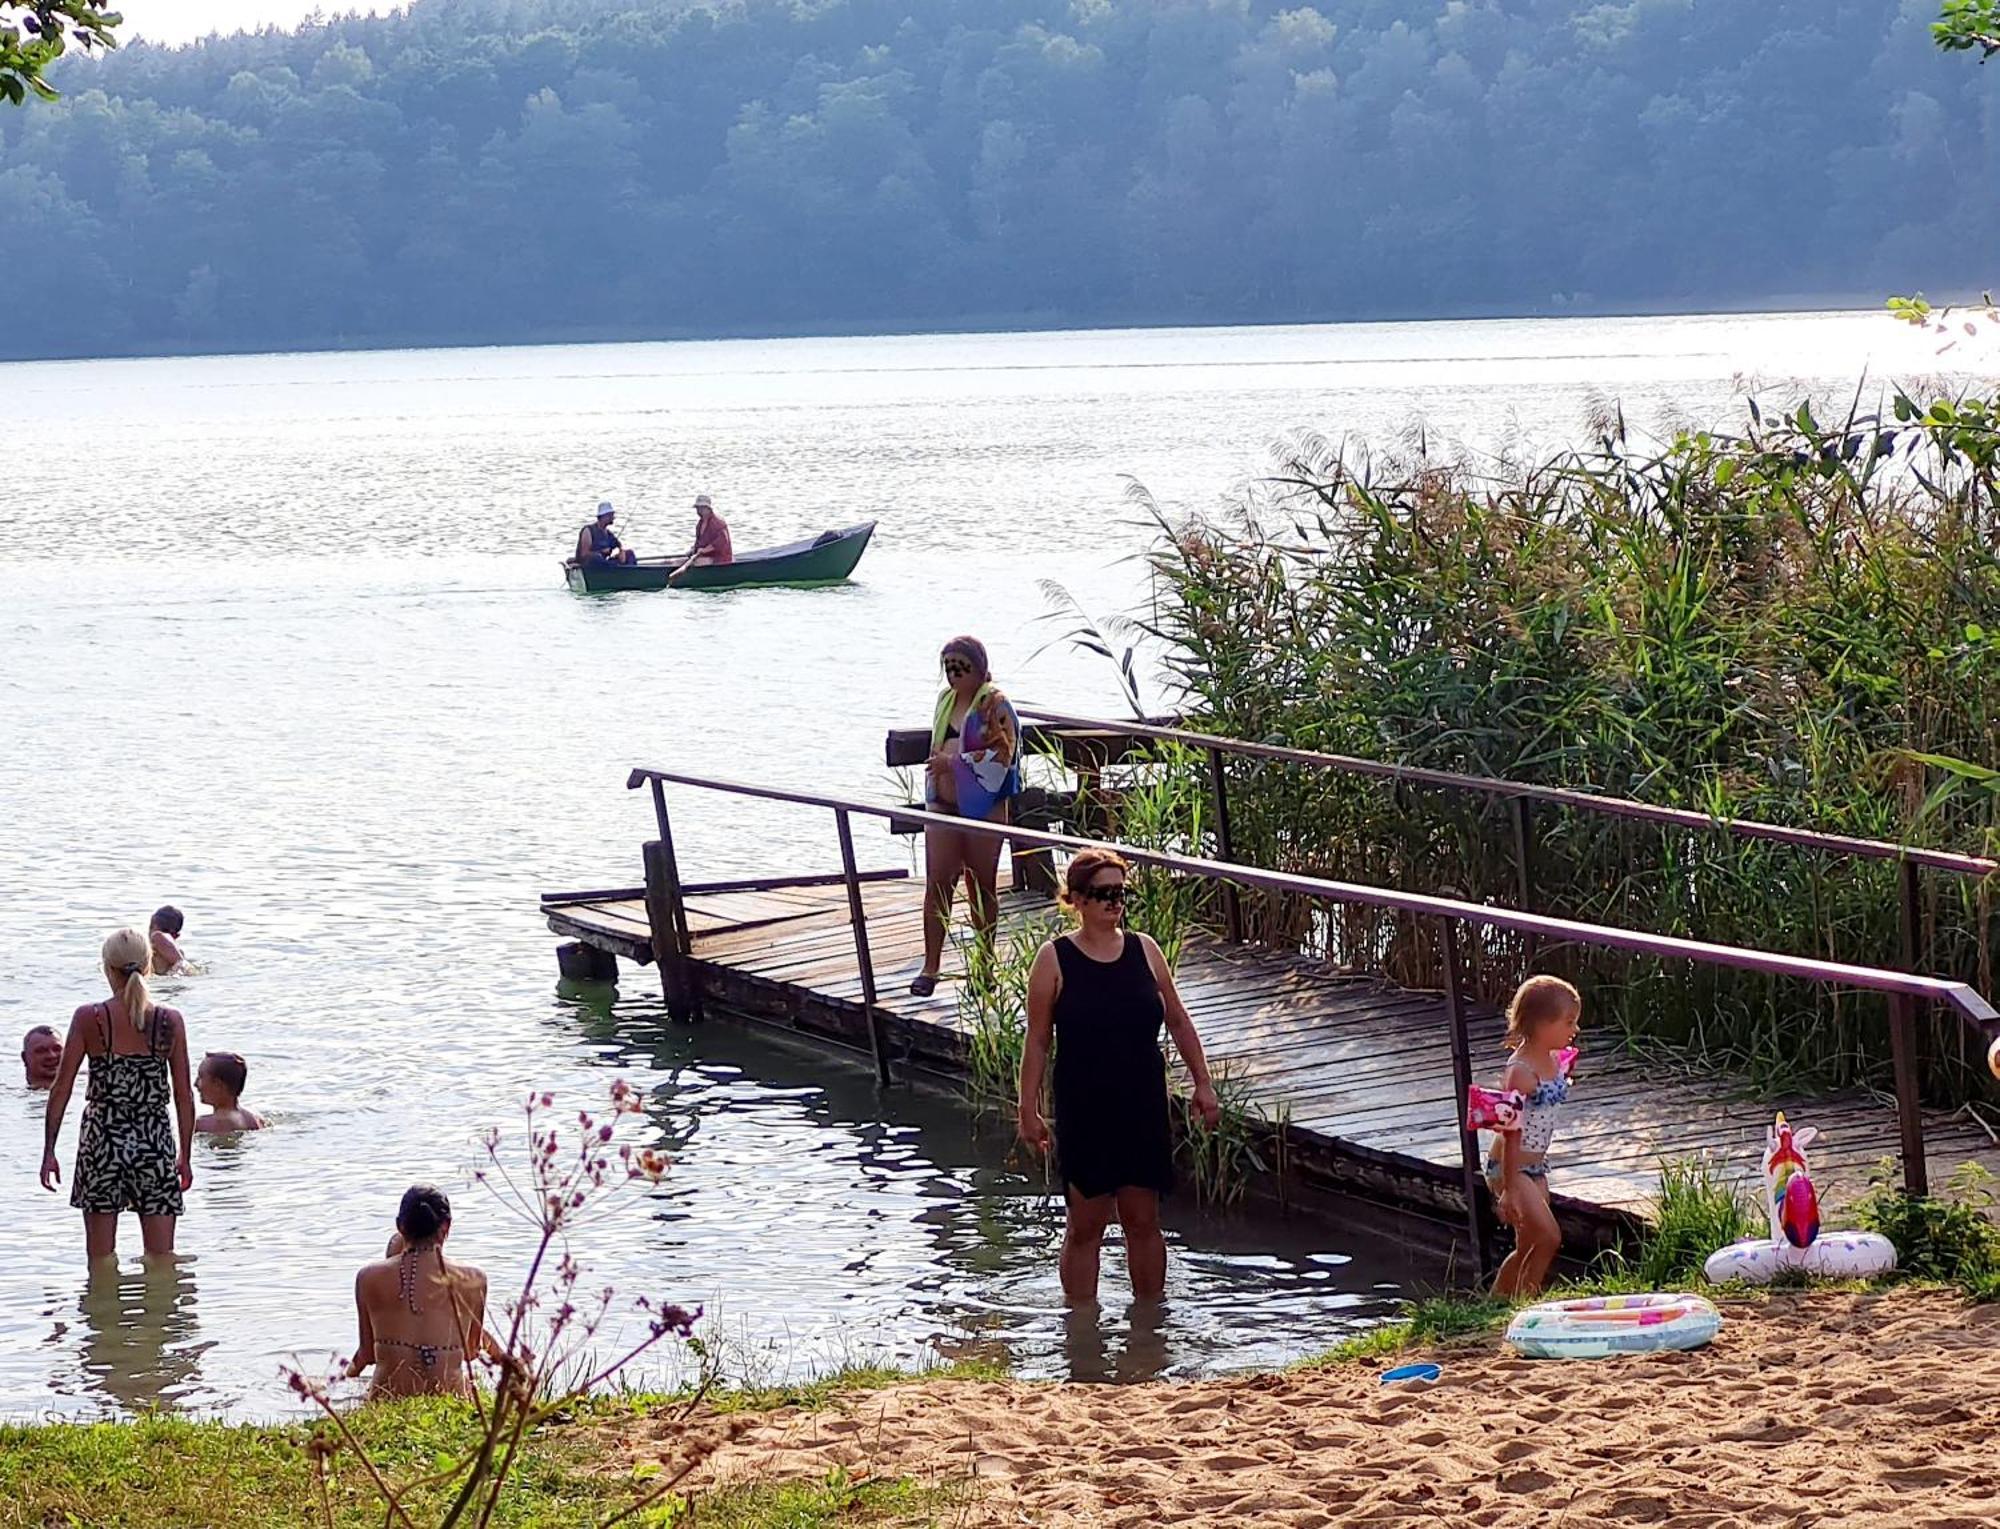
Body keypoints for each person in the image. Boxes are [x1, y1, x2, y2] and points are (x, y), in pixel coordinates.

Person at [1017, 848, 1221, 1304]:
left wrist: (1202, 1082)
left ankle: (1151, 1325)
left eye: (1120, 892)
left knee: (1143, 1219)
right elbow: (1037, 1041)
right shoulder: (1054, 959)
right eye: (1103, 893)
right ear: (1078, 900)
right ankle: (1081, 1332)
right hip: (1085, 1105)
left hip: (1141, 1100)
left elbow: (1179, 1021)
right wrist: (1028, 1109)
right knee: (1086, 1224)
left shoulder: (1145, 949)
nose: (1114, 902)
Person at [39, 929, 196, 1261]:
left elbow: (62, 1088)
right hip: (154, 1142)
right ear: (149, 966)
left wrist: (49, 1151)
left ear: (107, 969)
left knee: (100, 1261)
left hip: (102, 1143)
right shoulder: (170, 1021)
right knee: (161, 1258)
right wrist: (185, 1156)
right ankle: (159, 1312)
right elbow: (184, 1095)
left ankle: (104, 1311)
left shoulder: (89, 1018)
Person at [910, 637, 1022, 997]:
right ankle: (931, 966)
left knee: (981, 883)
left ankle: (985, 965)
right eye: (949, 666)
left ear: (979, 667)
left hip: (983, 805)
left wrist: (954, 763)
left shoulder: (996, 704)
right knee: (938, 882)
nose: (954, 673)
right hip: (942, 803)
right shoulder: (944, 700)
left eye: (961, 666)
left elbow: (1005, 757)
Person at [1485, 974, 1583, 1299]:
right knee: (1548, 1237)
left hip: (1536, 1165)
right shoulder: (1521, 1073)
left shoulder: (1553, 1059)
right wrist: (1510, 1188)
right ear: (1541, 1024)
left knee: (1528, 1244)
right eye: (1568, 1022)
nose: (1574, 1030)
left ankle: (1499, 1299)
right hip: (1511, 1166)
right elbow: (1510, 1132)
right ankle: (1527, 1300)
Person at [347, 1185, 489, 1401]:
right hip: (449, 1400)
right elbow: (471, 1352)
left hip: (387, 1400)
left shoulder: (368, 1277)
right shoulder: (474, 1278)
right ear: (447, 1226)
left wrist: (345, 1375)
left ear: (399, 1227)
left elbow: (367, 1353)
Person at [194, 1051, 264, 1133]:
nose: (195, 1084)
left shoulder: (201, 1125)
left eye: (201, 1077)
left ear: (218, 1085)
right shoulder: (256, 1120)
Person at [668, 493, 732, 584]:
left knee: (697, 563)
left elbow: (720, 543)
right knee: (675, 562)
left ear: (708, 508)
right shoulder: (700, 524)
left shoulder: (718, 523)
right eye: (697, 508)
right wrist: (693, 549)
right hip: (702, 556)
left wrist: (704, 550)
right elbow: (699, 542)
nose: (699, 511)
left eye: (701, 508)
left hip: (720, 559)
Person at [576, 502, 636, 567]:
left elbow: (618, 545)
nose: (613, 518)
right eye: (610, 515)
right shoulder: (588, 530)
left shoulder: (608, 534)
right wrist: (601, 552)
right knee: (596, 558)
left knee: (629, 553)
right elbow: (584, 554)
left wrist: (621, 552)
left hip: (605, 564)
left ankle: (631, 572)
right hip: (590, 565)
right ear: (603, 516)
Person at [148, 907, 185, 975]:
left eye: (150, 927)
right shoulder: (179, 951)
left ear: (153, 925)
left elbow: (181, 964)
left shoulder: (157, 936)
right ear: (176, 936)